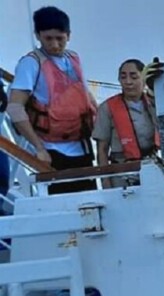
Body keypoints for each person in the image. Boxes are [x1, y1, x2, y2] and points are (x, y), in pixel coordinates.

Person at [7, 6, 97, 194]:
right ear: (38, 36)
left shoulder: (73, 58)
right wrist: (39, 148)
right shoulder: (31, 63)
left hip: (82, 147)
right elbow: (15, 107)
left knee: (90, 202)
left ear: (68, 35)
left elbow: (85, 94)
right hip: (52, 150)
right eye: (49, 38)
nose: (55, 44)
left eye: (60, 38)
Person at [93, 59, 159, 188]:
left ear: (143, 79)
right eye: (123, 77)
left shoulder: (154, 103)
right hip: (121, 171)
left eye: (134, 77)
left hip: (152, 167)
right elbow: (102, 149)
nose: (128, 82)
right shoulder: (107, 107)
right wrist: (105, 181)